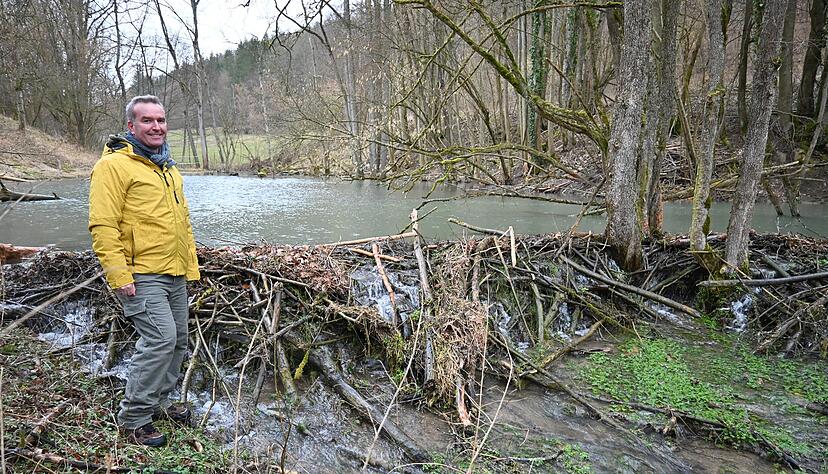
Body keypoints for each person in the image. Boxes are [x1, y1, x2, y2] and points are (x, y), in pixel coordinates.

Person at [88, 95, 200, 447]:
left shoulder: (167, 167)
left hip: (175, 272)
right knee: (160, 340)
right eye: (147, 120)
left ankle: (159, 402)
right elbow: (103, 225)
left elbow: (182, 223)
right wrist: (119, 275)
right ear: (131, 126)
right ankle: (134, 419)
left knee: (178, 341)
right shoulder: (113, 166)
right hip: (141, 274)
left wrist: (190, 267)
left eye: (161, 120)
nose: (156, 127)